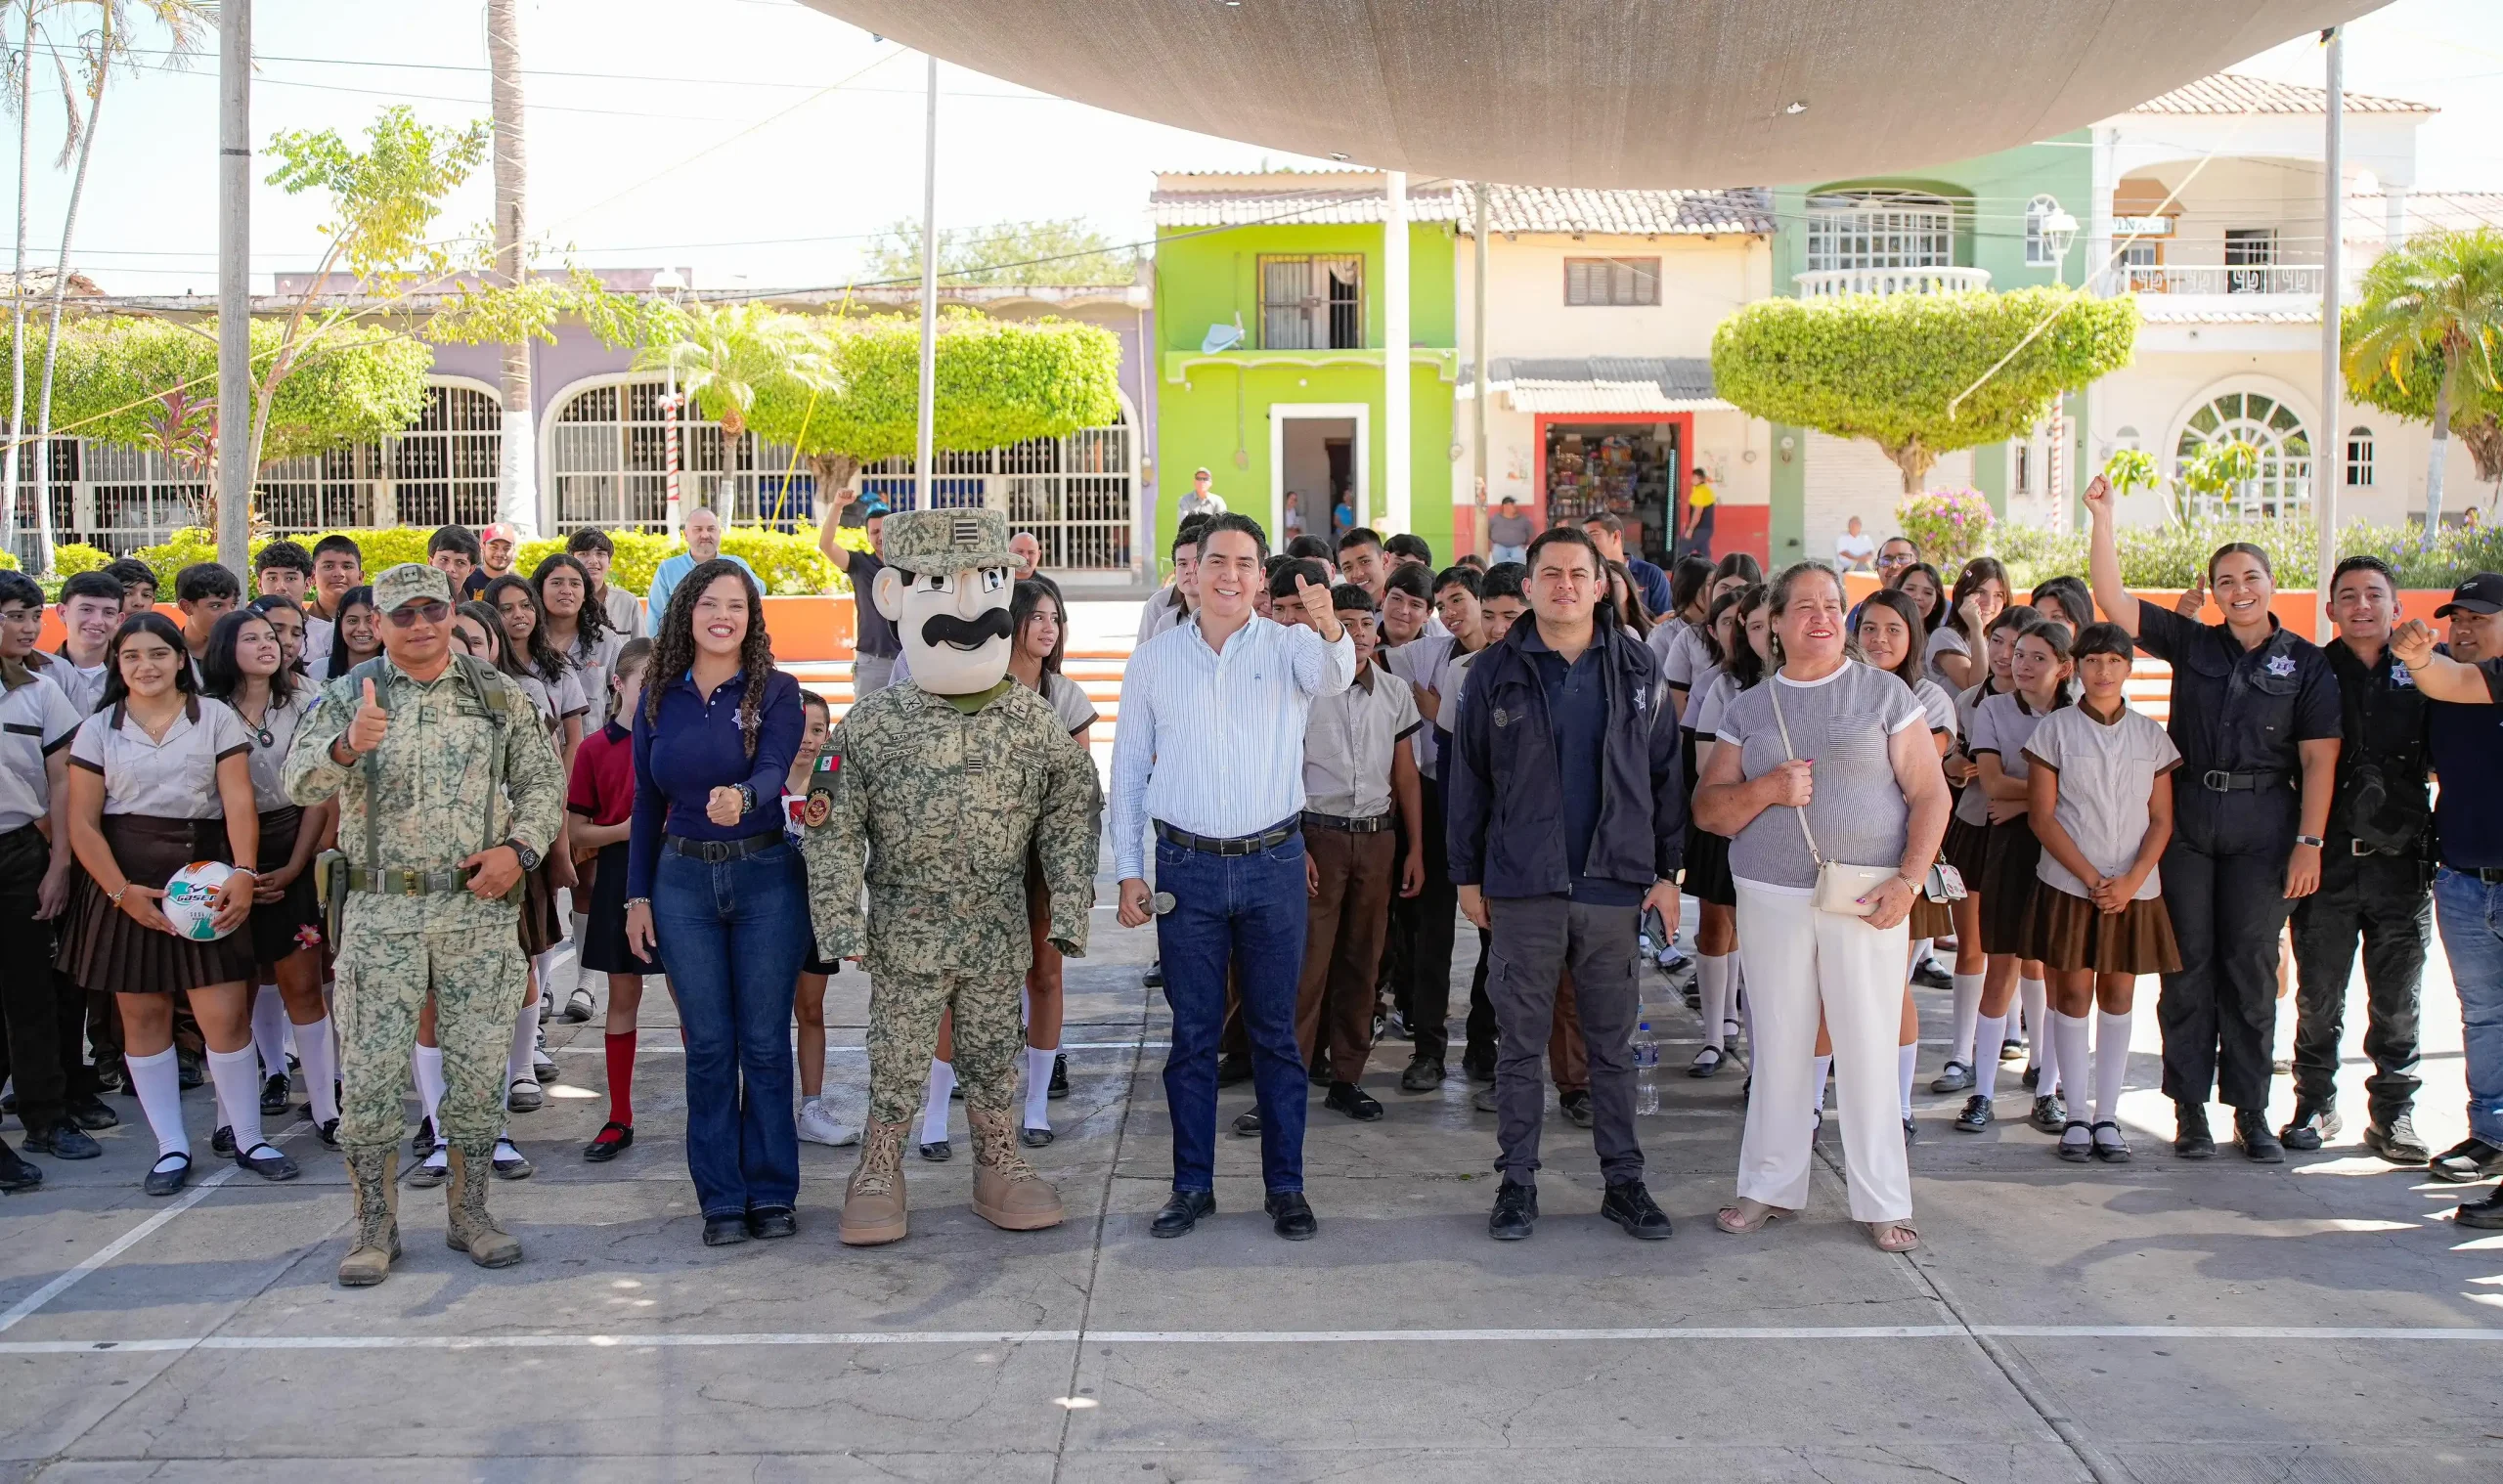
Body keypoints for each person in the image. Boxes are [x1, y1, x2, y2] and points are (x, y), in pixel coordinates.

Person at [803, 511, 1100, 1245]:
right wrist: (840, 922)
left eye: (986, 582)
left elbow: (1073, 805)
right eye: (941, 584)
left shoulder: (1031, 721)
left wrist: (1069, 904)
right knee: (898, 1054)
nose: (969, 607)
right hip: (907, 928)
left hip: (998, 926)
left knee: (994, 1051)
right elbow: (831, 826)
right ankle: (880, 1167)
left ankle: (998, 1161)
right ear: (895, 596)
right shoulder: (873, 726)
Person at [285, 562, 564, 1285]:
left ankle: (471, 1215)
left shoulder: (496, 694)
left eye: (431, 611)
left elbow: (542, 782)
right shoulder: (349, 693)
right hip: (381, 914)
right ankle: (375, 1227)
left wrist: (519, 850)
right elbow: (297, 783)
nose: (419, 625)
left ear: (451, 613)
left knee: (478, 1072)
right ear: (377, 624)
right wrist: (348, 745)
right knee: (371, 1076)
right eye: (401, 615)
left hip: (477, 911)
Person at [2084, 474, 2339, 1161]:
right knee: (2187, 964)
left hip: (2266, 823)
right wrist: (2104, 518)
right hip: (2191, 819)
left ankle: (2251, 1111)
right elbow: (2113, 600)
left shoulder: (2306, 663)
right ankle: (2189, 1108)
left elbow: (2319, 760)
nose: (2239, 589)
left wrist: (2309, 841)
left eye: (2251, 577)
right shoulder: (2194, 642)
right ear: (2214, 591)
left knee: (2250, 967)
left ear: (2272, 584)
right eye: (2226, 581)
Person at [1112, 511, 1351, 1242]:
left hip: (1273, 864)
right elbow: (1127, 772)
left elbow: (1337, 677)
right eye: (1217, 561)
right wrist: (1128, 872)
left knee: (1275, 1035)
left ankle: (1286, 1187)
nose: (1230, 575)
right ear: (1192, 570)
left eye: (1246, 564)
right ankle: (1192, 1186)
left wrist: (1328, 622)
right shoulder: (1155, 661)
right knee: (1192, 1036)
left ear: (1260, 576)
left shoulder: (1291, 646)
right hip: (1186, 869)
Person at [1695, 561, 1948, 1252]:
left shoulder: (1884, 692)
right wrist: (1768, 791)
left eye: (1833, 604)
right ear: (1774, 623)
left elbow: (1931, 793)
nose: (1822, 616)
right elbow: (1710, 810)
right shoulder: (1748, 707)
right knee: (1780, 1040)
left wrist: (1910, 880)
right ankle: (1768, 1185)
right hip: (1770, 892)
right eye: (1804, 606)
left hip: (1866, 892)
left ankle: (1883, 1200)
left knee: (1867, 1040)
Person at [1446, 527, 1684, 1243]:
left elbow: (1666, 777)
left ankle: (1624, 1181)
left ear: (1601, 584)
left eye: (1578, 574)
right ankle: (1517, 1183)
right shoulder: (1494, 670)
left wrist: (1668, 874)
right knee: (1520, 1046)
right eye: (1550, 574)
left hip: (1614, 885)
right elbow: (1468, 781)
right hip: (1525, 886)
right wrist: (1467, 875)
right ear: (1528, 586)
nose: (1565, 586)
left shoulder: (1638, 666)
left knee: (1611, 1047)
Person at [620, 560, 807, 1246]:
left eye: (736, 605)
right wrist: (637, 895)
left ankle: (772, 1191)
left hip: (765, 879)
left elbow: (774, 768)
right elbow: (646, 802)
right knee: (707, 1047)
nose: (722, 616)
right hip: (682, 885)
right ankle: (721, 1199)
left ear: (752, 618)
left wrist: (746, 797)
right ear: (686, 613)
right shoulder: (657, 696)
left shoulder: (777, 691)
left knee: (764, 1044)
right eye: (709, 604)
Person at [59, 611, 277, 1195]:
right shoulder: (98, 728)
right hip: (127, 884)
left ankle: (248, 1137)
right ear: (118, 664)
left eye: (158, 653)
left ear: (181, 659)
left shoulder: (215, 718)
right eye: (132, 656)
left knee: (224, 1017)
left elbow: (238, 803)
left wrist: (244, 872)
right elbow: (82, 824)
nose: (145, 666)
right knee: (143, 1017)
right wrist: (121, 893)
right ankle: (170, 1146)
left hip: (206, 880)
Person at [2280, 555, 2432, 1162]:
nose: (2361, 606)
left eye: (2374, 594)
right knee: (2319, 996)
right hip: (2328, 862)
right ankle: (2314, 1103)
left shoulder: (2425, 671)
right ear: (2330, 609)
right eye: (2348, 596)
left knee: (2398, 1000)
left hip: (2403, 865)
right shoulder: (2312, 673)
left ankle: (2394, 1115)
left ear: (2397, 606)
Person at [2020, 621, 2181, 1164]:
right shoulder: (2055, 731)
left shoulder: (2150, 736)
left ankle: (2108, 1117)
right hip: (2070, 884)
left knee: (2118, 995)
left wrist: (2130, 882)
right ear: (2076, 667)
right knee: (2070, 995)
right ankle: (2076, 1114)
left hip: (2133, 889)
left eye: (2114, 661)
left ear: (2129, 667)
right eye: (2092, 661)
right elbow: (2043, 817)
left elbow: (2161, 819)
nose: (2103, 671)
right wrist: (2093, 879)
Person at [200, 608, 339, 1146]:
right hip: (224, 852)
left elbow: (320, 790)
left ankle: (326, 1108)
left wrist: (297, 865)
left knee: (302, 984)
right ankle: (230, 1115)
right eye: (252, 637)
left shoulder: (305, 702)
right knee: (231, 991)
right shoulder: (204, 710)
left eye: (274, 637)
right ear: (223, 649)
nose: (269, 645)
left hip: (292, 840)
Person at [2386, 580, 2503, 1215]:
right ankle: (2493, 1137)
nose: (2464, 627)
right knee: (2483, 1017)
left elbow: (2447, 679)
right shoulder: (2444, 695)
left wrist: (2418, 658)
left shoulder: (2461, 680)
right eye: (2456, 617)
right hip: (2462, 881)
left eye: (2480, 618)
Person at [1291, 581, 1423, 1121]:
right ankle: (1288, 1082)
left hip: (1376, 839)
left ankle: (1347, 1077)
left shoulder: (1394, 692)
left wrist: (1415, 848)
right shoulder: (1305, 689)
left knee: (1363, 962)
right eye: (1347, 624)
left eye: (1368, 623)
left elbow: (1406, 775)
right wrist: (1294, 844)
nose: (1361, 634)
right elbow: (1284, 772)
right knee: (1308, 965)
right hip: (1317, 837)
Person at [1954, 618, 2072, 1137]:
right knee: (1999, 966)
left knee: (2049, 968)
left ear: (2064, 668)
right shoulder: (1993, 709)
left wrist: (2026, 803)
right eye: (2019, 654)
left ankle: (2048, 1090)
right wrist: (2050, 791)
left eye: (2038, 657)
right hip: (2007, 848)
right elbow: (1994, 782)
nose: (2022, 664)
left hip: (2062, 848)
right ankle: (1982, 1090)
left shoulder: (2077, 714)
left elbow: (2087, 784)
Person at [0, 572, 102, 1166]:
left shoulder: (40, 691)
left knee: (32, 993)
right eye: (15, 615)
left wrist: (60, 862)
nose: (28, 627)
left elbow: (63, 780)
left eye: (33, 615)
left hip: (19, 853)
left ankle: (47, 1117)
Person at [1382, 564, 1482, 1089]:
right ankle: (1428, 1050)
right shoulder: (1432, 654)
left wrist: (1442, 711)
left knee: (1499, 935)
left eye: (1458, 599)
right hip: (1437, 798)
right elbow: (1374, 656)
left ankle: (1484, 1046)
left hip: (1496, 806)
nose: (1451, 611)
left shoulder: (1516, 660)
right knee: (1430, 933)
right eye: (1443, 604)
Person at [569, 637, 663, 1163]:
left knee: (691, 995)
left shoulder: (676, 743)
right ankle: (619, 1115)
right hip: (619, 876)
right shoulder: (594, 749)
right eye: (646, 681)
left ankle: (711, 1112)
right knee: (623, 995)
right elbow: (576, 830)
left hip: (675, 873)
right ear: (618, 684)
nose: (655, 692)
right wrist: (625, 830)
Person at [1683, 585, 1768, 1078]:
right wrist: (1764, 788)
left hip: (1788, 834)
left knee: (1763, 947)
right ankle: (1715, 1036)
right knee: (1717, 928)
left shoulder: (1811, 682)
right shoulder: (1723, 686)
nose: (1761, 635)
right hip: (1726, 821)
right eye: (1749, 626)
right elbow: (1704, 765)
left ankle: (1764, 1062)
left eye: (1767, 623)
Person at [783, 687, 856, 1150]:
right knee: (765, 1016)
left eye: (817, 729)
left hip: (815, 913)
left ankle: (812, 1108)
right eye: (800, 728)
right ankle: (766, 1109)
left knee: (810, 1009)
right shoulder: (762, 779)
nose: (808, 739)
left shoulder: (832, 782)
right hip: (767, 914)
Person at [818, 502, 901, 695]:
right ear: (868, 536)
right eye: (875, 532)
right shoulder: (860, 564)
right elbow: (826, 545)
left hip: (908, 661)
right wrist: (838, 506)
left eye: (885, 530)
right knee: (866, 716)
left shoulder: (911, 567)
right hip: (872, 663)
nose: (881, 537)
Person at [647, 507, 756, 639]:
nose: (705, 535)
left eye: (711, 529)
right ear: (686, 535)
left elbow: (757, 591)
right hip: (681, 647)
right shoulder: (668, 569)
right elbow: (656, 617)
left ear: (719, 533)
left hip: (728, 640)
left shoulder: (736, 565)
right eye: (698, 529)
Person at [45, 570, 122, 715]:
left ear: (119, 620)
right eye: (86, 609)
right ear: (62, 612)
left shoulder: (130, 672)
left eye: (108, 612)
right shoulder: (41, 675)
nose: (97, 621)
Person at [1929, 557, 2009, 692]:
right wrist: (1976, 628)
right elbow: (1975, 687)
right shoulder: (1944, 636)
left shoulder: (1999, 638)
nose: (1989, 602)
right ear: (1963, 593)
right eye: (1981, 592)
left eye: (1998, 595)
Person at [1580, 511, 1674, 620]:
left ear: (1616, 536)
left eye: (1593, 535)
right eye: (1584, 538)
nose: (1587, 543)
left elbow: (1664, 619)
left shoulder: (1650, 574)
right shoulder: (1586, 574)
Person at [1136, 517, 1208, 644]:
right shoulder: (1164, 621)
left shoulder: (1233, 613)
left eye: (1197, 562)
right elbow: (1143, 654)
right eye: (1183, 563)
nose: (1190, 570)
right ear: (1175, 571)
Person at [567, 528, 643, 637]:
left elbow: (641, 646)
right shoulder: (563, 600)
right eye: (584, 554)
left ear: (609, 561)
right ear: (571, 560)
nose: (593, 561)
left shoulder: (627, 602)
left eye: (600, 554)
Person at [174, 562, 242, 668]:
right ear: (186, 607)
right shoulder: (167, 654)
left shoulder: (242, 653)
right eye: (216, 606)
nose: (229, 614)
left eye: (233, 605)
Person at [323, 586, 381, 680]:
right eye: (352, 621)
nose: (362, 629)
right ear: (340, 623)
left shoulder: (401, 672)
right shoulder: (318, 669)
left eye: (370, 620)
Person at [308, 535, 364, 626]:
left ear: (360, 577)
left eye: (347, 566)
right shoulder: (298, 626)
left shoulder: (378, 623)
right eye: (328, 566)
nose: (338, 573)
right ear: (313, 576)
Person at [427, 525, 489, 600]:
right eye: (444, 560)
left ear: (471, 570)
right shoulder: (413, 603)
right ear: (430, 563)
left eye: (460, 563)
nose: (451, 569)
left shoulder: (475, 607)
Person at [1337, 527, 1390, 605]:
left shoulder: (1404, 607)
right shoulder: (1336, 610)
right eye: (1348, 568)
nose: (1357, 574)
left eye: (1365, 562)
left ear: (1385, 560)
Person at [1679, 466, 1717, 559]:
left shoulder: (1700, 492)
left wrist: (1690, 530)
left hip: (1699, 529)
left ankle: (1681, 567)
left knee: (1683, 549)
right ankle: (1709, 567)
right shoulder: (1706, 490)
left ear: (1699, 478)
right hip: (1707, 529)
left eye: (1693, 477)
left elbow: (1697, 513)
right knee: (1704, 554)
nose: (1691, 479)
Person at [1487, 496, 1534, 566]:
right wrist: (1491, 544)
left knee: (1519, 566)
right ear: (1505, 506)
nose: (1515, 506)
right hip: (1499, 546)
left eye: (1514, 504)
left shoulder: (1523, 519)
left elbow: (1530, 533)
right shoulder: (1495, 518)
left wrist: (1525, 544)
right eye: (1512, 504)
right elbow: (1488, 532)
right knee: (1499, 566)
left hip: (1518, 547)